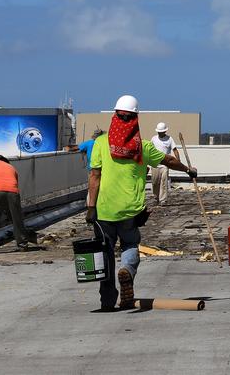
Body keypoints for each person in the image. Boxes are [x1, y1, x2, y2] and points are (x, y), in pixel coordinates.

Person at [87, 94, 197, 311]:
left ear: (115, 117)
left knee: (105, 253)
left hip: (104, 210)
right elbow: (168, 161)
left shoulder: (100, 143)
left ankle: (107, 300)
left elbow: (95, 177)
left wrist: (91, 207)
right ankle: (127, 269)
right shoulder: (143, 147)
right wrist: (187, 169)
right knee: (129, 244)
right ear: (135, 119)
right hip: (131, 211)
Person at [149, 123, 178, 206]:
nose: (159, 133)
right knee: (155, 182)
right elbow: (149, 150)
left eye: (161, 132)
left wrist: (178, 161)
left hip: (165, 164)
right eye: (158, 132)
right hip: (154, 164)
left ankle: (163, 200)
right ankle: (156, 198)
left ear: (165, 131)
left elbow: (175, 150)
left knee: (164, 182)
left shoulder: (169, 139)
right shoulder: (153, 139)